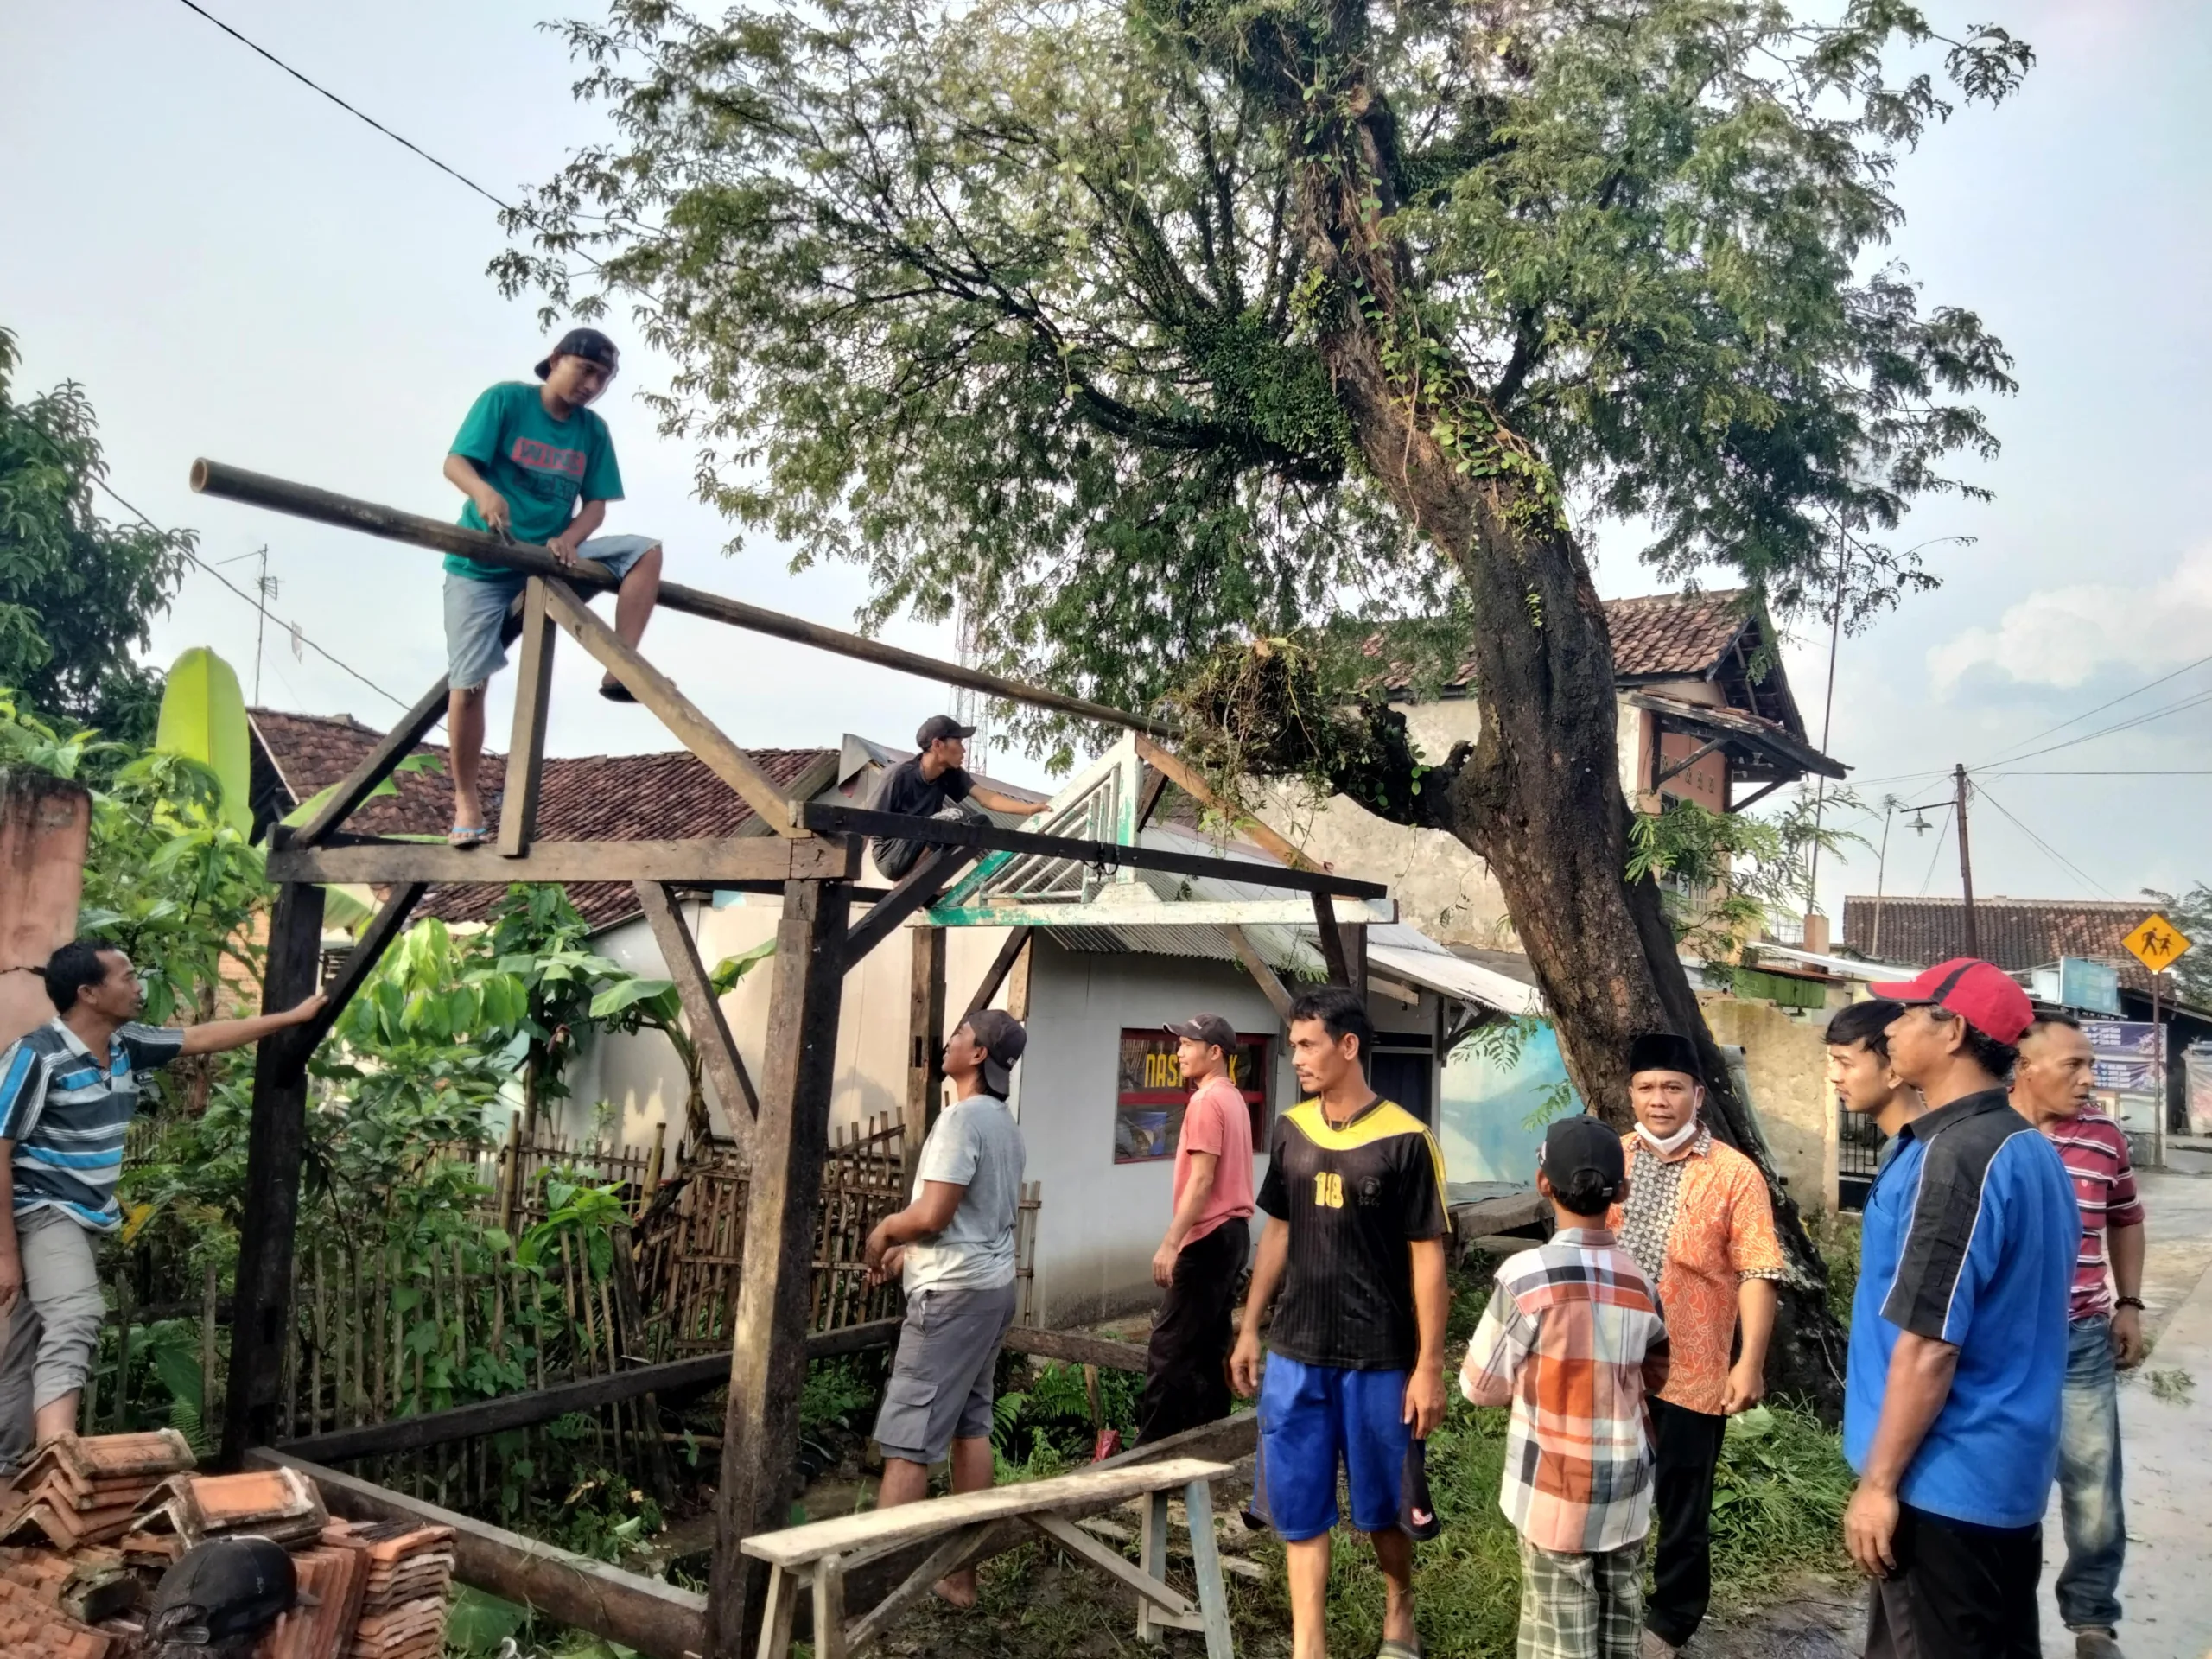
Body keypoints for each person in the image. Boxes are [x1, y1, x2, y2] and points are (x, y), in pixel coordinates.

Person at [0, 941, 326, 1470]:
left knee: (31, 1338)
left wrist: (290, 1017)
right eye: (126, 978)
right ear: (88, 993)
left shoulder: (126, 1044)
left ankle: (6, 1467)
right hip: (41, 1208)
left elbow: (200, 1037)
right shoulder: (37, 1057)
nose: (139, 986)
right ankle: (56, 1462)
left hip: (83, 1215)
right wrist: (7, 1254)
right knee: (78, 1315)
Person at [1844, 958, 2080, 1659]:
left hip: (1944, 1479)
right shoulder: (2028, 1148)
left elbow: (1932, 1343)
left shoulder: (1962, 1156)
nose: (1891, 1029)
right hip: (1999, 1472)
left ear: (1952, 1032)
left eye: (1908, 1012)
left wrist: (1880, 1483)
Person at [1229, 985, 1449, 1659]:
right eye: (1292, 1044)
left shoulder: (1408, 1141)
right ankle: (1309, 1644)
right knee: (1297, 1503)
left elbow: (1428, 1259)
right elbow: (1277, 1234)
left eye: (1306, 1044)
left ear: (1348, 1046)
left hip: (1381, 1358)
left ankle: (1398, 1613)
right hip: (1297, 1354)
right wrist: (1249, 1326)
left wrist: (1429, 1366)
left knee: (1385, 1505)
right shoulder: (1293, 1131)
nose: (1295, 1057)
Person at [441, 327, 665, 847]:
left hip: (548, 557)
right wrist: (485, 493)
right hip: (483, 559)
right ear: (556, 359)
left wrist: (568, 538)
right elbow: (456, 463)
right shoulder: (506, 400)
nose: (592, 384)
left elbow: (596, 506)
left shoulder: (592, 431)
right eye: (585, 371)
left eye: (603, 378)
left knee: (644, 551)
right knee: (469, 684)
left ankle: (620, 666)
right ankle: (466, 800)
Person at [1602, 1032, 1785, 1659]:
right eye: (1648, 1088)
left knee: (1683, 1506)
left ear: (1698, 1095)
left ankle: (1670, 1622)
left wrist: (1750, 1361)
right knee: (1606, 1493)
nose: (1660, 1101)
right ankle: (1610, 1604)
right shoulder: (1609, 1159)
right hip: (1610, 1365)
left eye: (1673, 1088)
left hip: (1694, 1370)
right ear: (1631, 1093)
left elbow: (1760, 1270)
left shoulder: (1736, 1174)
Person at [1462, 1116, 1669, 1659]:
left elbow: (1481, 1385)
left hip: (1553, 1486)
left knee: (1559, 1633)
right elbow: (1657, 1370)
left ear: (1542, 1184)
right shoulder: (1640, 1281)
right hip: (1628, 1487)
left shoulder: (1525, 1277)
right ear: (1621, 1192)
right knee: (1622, 1616)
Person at [861, 1009, 1027, 1607]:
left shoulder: (959, 1120)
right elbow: (974, 1221)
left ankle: (871, 1592)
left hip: (952, 1301)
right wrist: (915, 1254)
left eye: (958, 1036)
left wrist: (886, 1232)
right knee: (969, 1426)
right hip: (988, 1289)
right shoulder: (1003, 1125)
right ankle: (960, 1579)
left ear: (978, 1054)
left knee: (909, 1438)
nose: (947, 1042)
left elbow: (933, 1215)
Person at [2011, 1014, 2145, 1659]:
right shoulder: (1987, 1135)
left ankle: (2093, 1622)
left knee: (2093, 1488)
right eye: (2075, 1065)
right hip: (1998, 1347)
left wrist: (2131, 1305)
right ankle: (2003, 1613)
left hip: (2080, 1337)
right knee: (2001, 1484)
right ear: (2024, 1067)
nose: (2090, 1079)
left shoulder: (2103, 1138)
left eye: (2092, 1064)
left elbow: (2125, 1217)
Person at [1137, 1014, 1257, 1445]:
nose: (1179, 1052)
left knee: (1169, 1347)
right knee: (1209, 1344)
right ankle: (1206, 1442)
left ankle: (1147, 1456)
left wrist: (1171, 1242)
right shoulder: (1234, 1099)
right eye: (1180, 1044)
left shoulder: (1206, 1102)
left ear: (1215, 1053)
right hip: (1234, 1233)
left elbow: (1203, 1180)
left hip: (1208, 1237)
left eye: (1188, 1045)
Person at [866, 715, 1046, 880]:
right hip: (891, 854)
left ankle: (926, 884)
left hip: (920, 841)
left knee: (979, 824)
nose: (964, 750)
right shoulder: (897, 775)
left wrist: (1030, 809)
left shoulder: (950, 774)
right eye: (958, 742)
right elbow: (866, 823)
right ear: (937, 745)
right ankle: (910, 880)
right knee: (953, 816)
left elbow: (986, 798)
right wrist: (848, 876)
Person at [1825, 999, 1923, 1154]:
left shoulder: (1924, 1158)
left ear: (1894, 1073)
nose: (1833, 1076)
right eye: (1834, 1061)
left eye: (1845, 1064)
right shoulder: (1904, 1149)